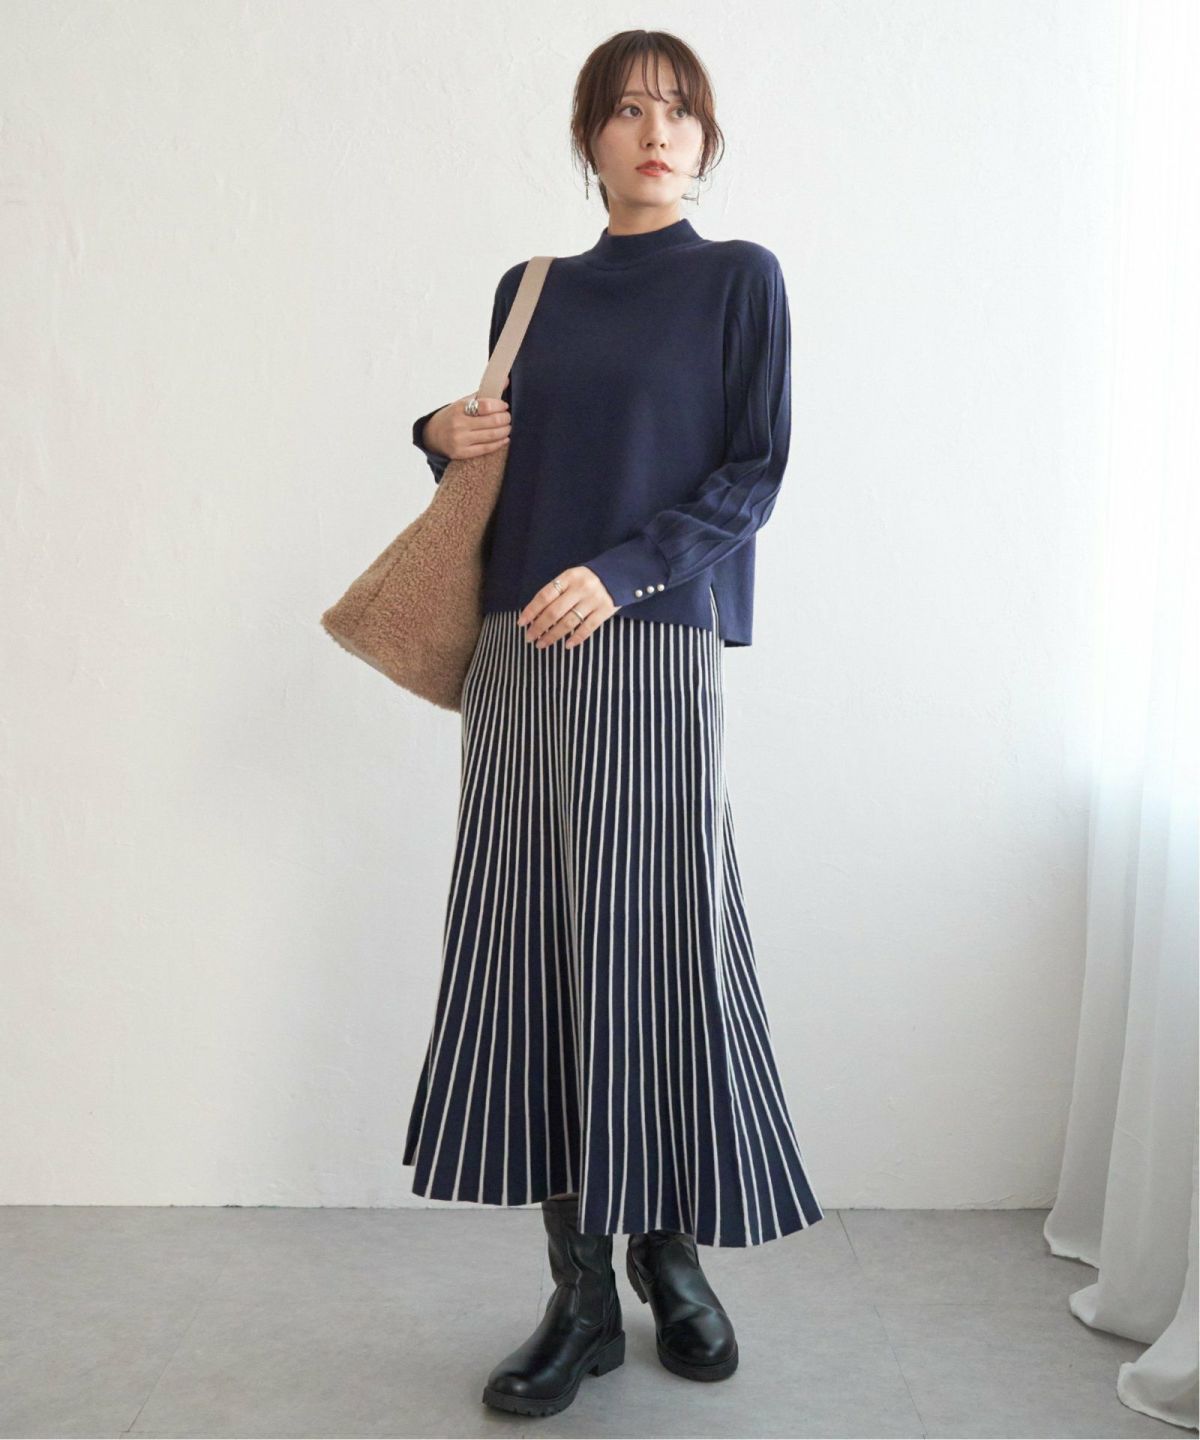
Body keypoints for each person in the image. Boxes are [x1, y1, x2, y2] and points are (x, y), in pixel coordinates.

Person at [400, 29, 825, 1420]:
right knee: (538, 946)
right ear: (589, 138)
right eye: (629, 110)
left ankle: (671, 1255)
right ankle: (579, 1294)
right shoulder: (531, 290)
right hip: (522, 654)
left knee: (659, 942)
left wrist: (629, 569)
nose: (656, 131)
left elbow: (755, 471)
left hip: (653, 646)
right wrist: (435, 434)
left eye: (679, 110)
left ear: (707, 139)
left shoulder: (739, 280)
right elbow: (500, 465)